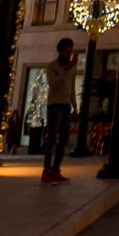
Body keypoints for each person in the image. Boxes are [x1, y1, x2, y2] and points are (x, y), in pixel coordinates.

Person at [41, 39, 79, 184]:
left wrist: (75, 106)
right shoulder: (52, 66)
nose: (69, 54)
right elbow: (53, 84)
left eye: (70, 51)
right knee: (52, 139)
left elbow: (72, 87)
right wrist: (66, 69)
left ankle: (56, 169)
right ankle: (46, 170)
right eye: (66, 51)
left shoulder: (72, 69)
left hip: (66, 105)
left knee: (64, 140)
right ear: (60, 51)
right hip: (54, 105)